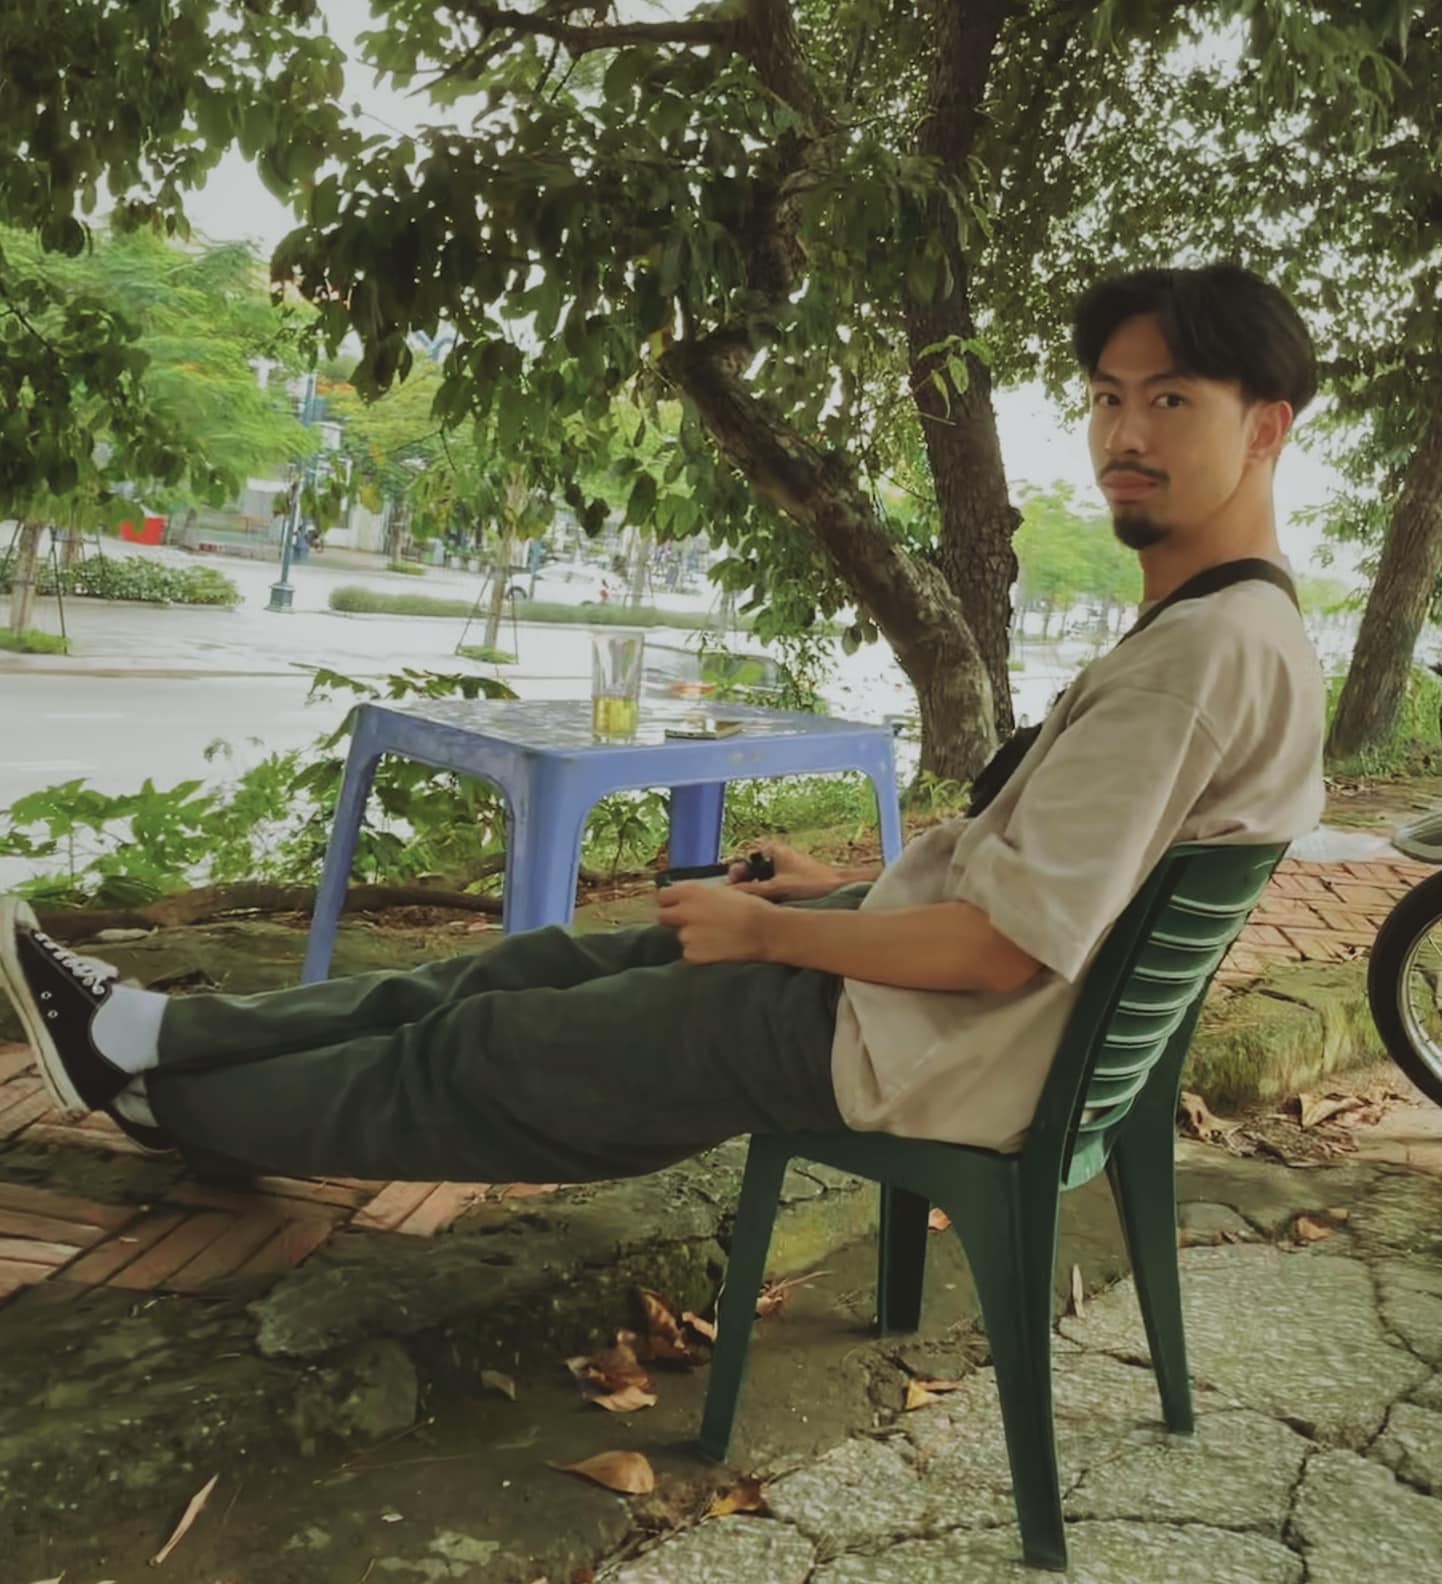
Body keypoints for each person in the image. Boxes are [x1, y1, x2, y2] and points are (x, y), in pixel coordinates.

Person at [0, 264, 1326, 1184]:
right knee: (525, 971)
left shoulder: (1195, 657)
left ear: (1264, 429)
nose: (1123, 433)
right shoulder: (1233, 628)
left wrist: (779, 934)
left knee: (493, 1052)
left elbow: (1000, 950)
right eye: (1106, 396)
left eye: (1170, 400)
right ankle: (155, 1039)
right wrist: (847, 890)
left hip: (921, 1050)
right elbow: (1053, 888)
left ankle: (162, 1098)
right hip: (928, 1015)